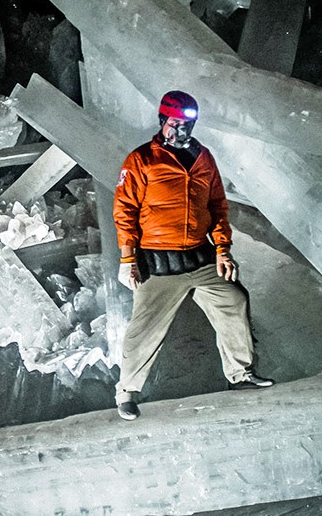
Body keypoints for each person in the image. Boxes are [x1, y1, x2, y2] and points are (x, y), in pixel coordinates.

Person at [113, 90, 273, 421]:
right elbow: (124, 210)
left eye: (188, 124)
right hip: (158, 263)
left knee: (233, 299)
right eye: (175, 124)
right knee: (144, 328)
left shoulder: (203, 159)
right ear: (162, 122)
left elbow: (217, 206)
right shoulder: (142, 160)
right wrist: (128, 259)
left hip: (199, 258)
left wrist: (223, 249)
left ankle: (241, 375)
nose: (181, 131)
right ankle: (126, 392)